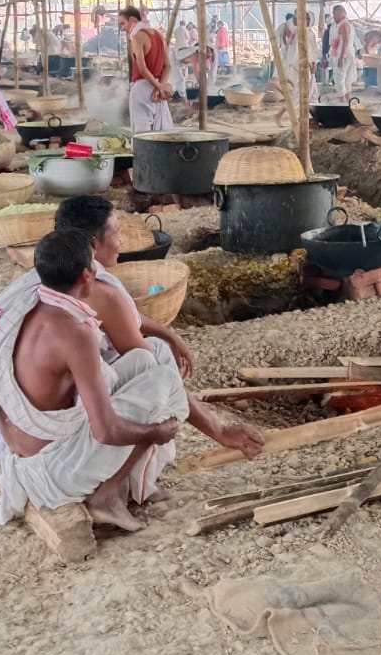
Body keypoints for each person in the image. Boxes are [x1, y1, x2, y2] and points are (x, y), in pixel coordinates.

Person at [0, 229, 192, 531]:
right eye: (93, 265)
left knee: (144, 360)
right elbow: (106, 431)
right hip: (52, 473)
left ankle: (123, 484)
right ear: (86, 276)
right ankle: (106, 498)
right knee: (163, 385)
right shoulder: (73, 332)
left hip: (31, 453)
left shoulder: (31, 304)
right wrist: (154, 433)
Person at [50, 196, 261, 463]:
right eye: (116, 233)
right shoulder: (99, 291)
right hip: (69, 432)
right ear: (94, 244)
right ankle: (114, 486)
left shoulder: (54, 271)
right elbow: (151, 370)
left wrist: (168, 333)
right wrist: (220, 431)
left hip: (43, 420)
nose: (121, 241)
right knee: (157, 372)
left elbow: (126, 316)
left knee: (158, 347)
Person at [121, 5, 173, 134]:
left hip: (142, 88)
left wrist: (159, 87)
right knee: (160, 132)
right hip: (157, 87)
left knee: (141, 133)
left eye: (123, 23)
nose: (123, 28)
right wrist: (160, 86)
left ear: (133, 20)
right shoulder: (159, 36)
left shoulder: (137, 38)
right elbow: (168, 66)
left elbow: (143, 70)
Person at [329, 5, 356, 100]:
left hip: (344, 55)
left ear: (342, 13)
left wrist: (341, 57)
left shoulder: (344, 24)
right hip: (343, 54)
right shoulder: (338, 24)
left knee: (339, 79)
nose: (334, 16)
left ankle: (343, 102)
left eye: (335, 14)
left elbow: (345, 41)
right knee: (346, 81)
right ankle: (348, 102)